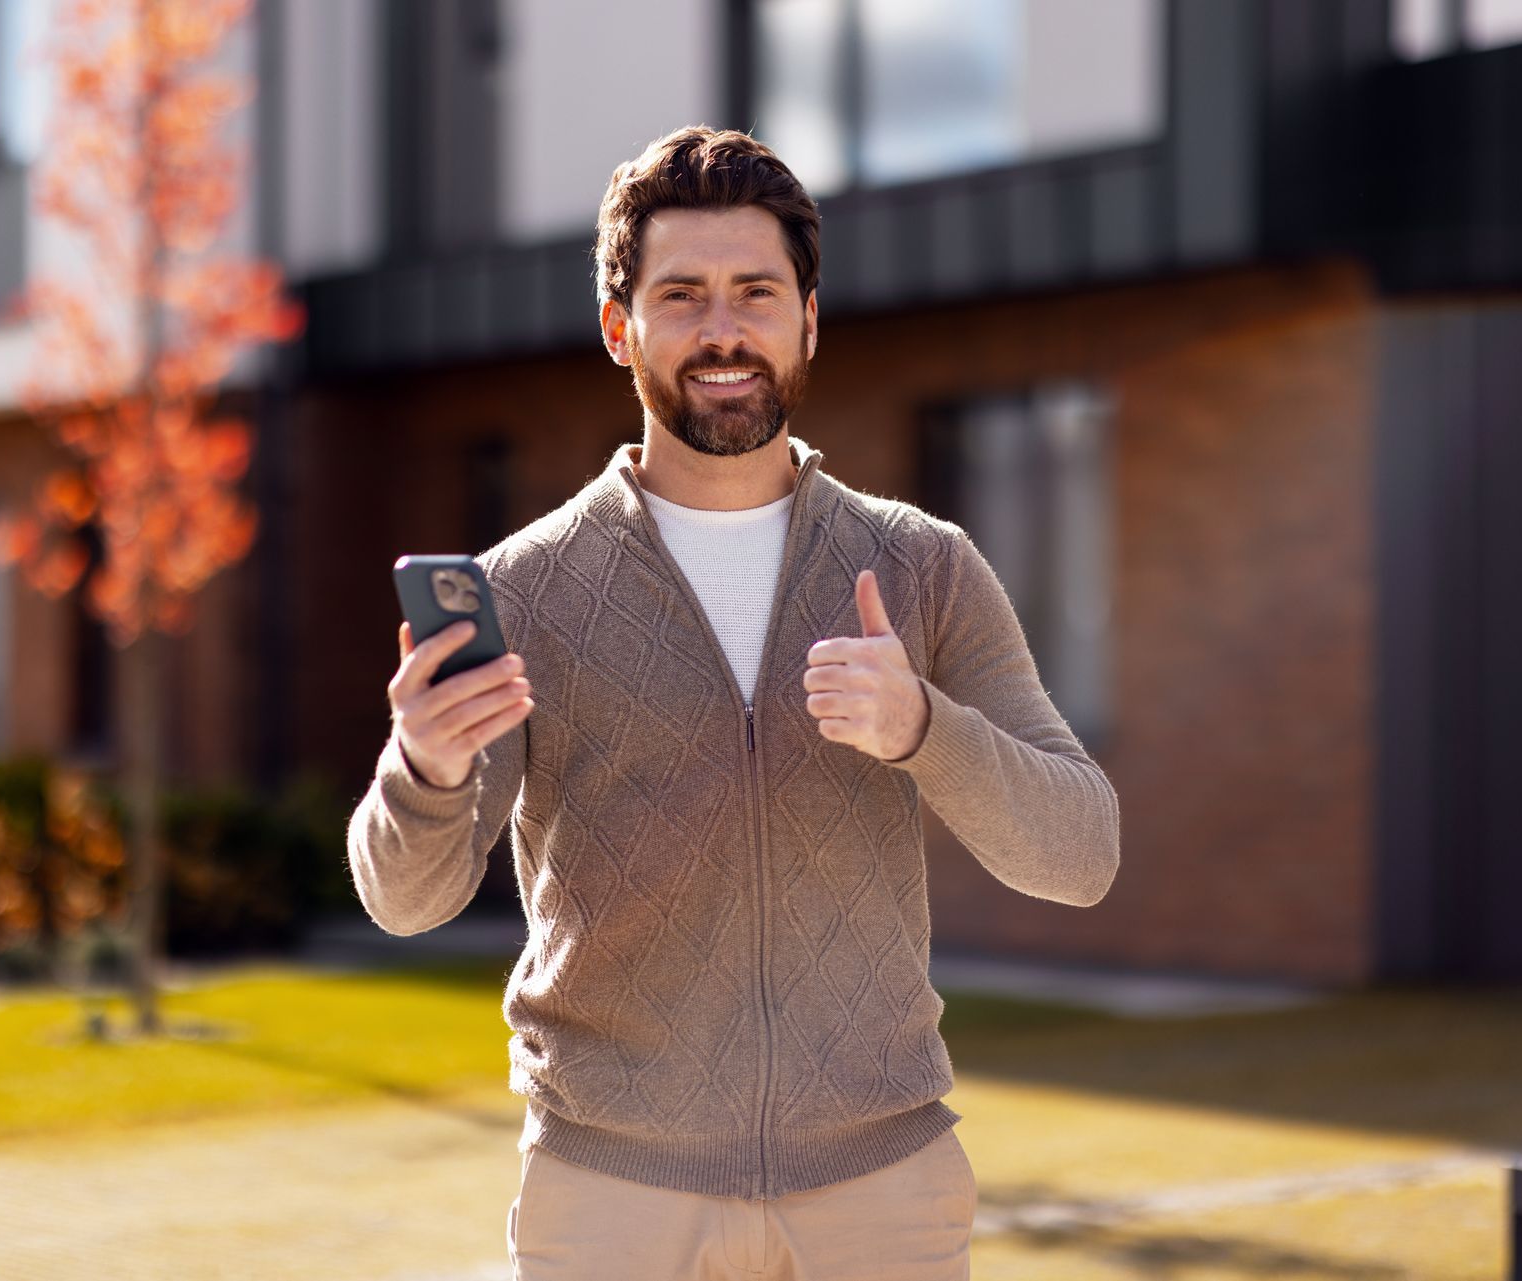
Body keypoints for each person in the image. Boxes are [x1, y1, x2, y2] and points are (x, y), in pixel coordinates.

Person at [348, 125, 1120, 1281]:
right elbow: (406, 901)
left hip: (881, 1195)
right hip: (611, 1199)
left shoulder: (920, 566)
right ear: (622, 328)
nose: (724, 330)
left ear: (809, 318)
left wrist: (922, 729)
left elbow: (1082, 852)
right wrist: (425, 771)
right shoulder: (527, 590)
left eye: (757, 292)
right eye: (683, 295)